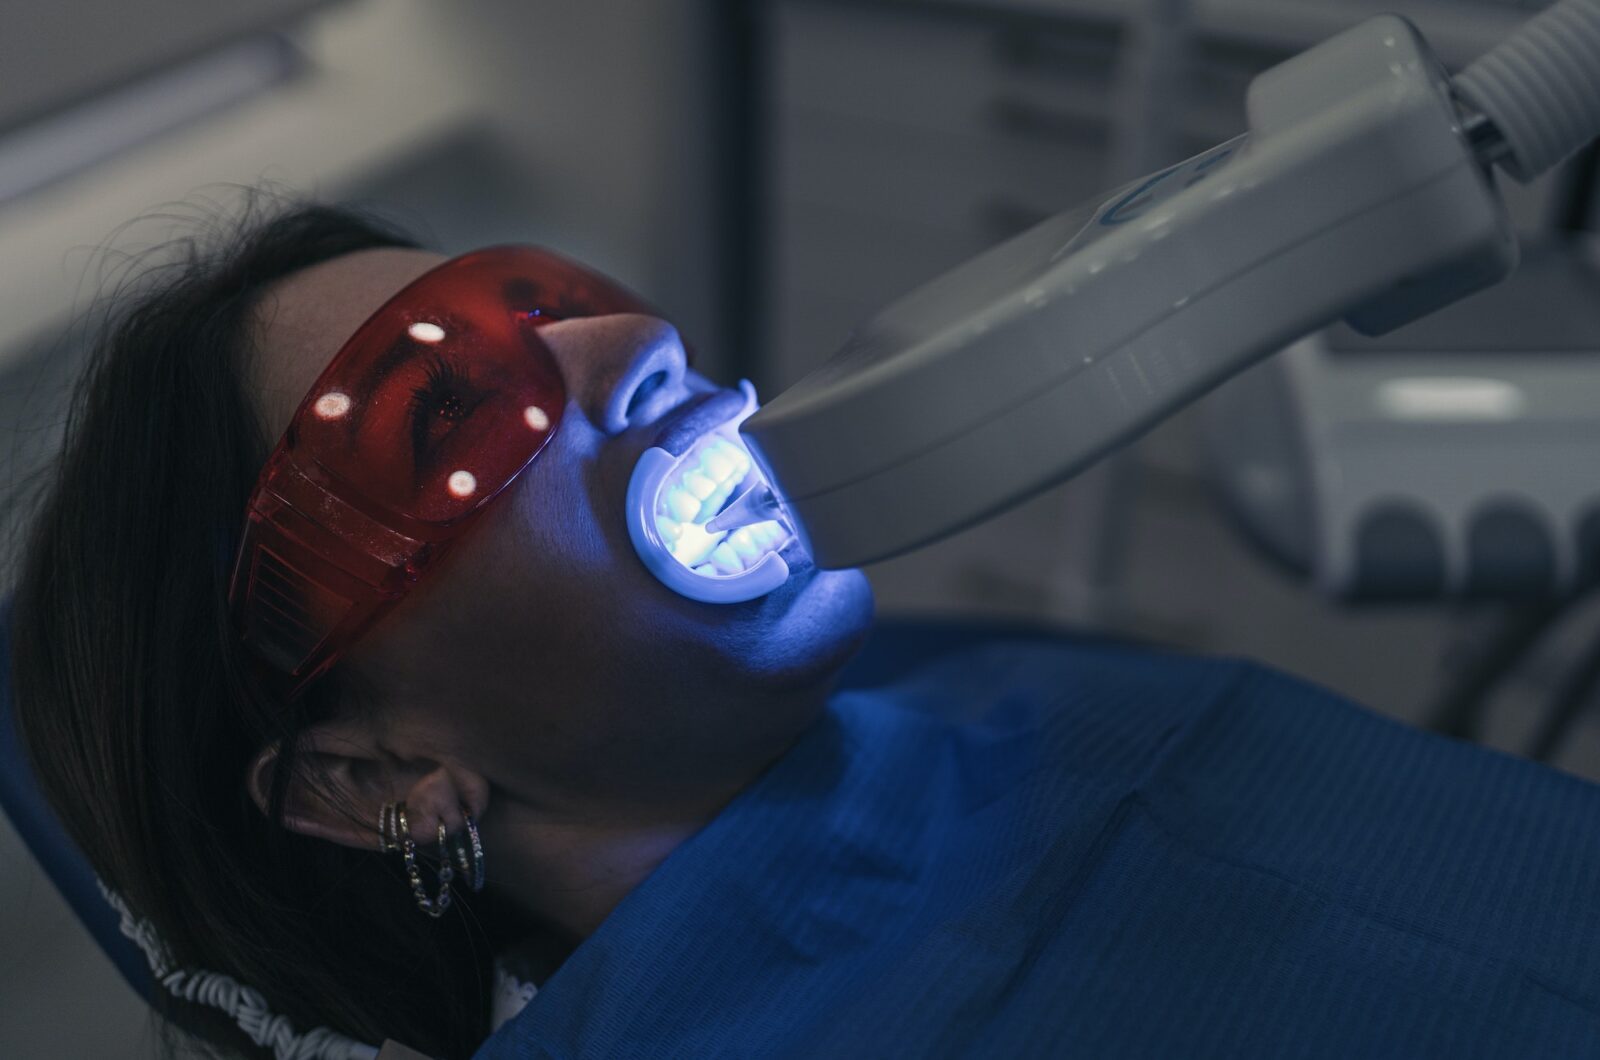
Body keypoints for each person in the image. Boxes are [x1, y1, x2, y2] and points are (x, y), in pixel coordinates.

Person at [11, 199, 1600, 1060]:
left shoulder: (1017, 696)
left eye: (549, 300)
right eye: (455, 416)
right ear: (376, 781)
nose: (639, 342)